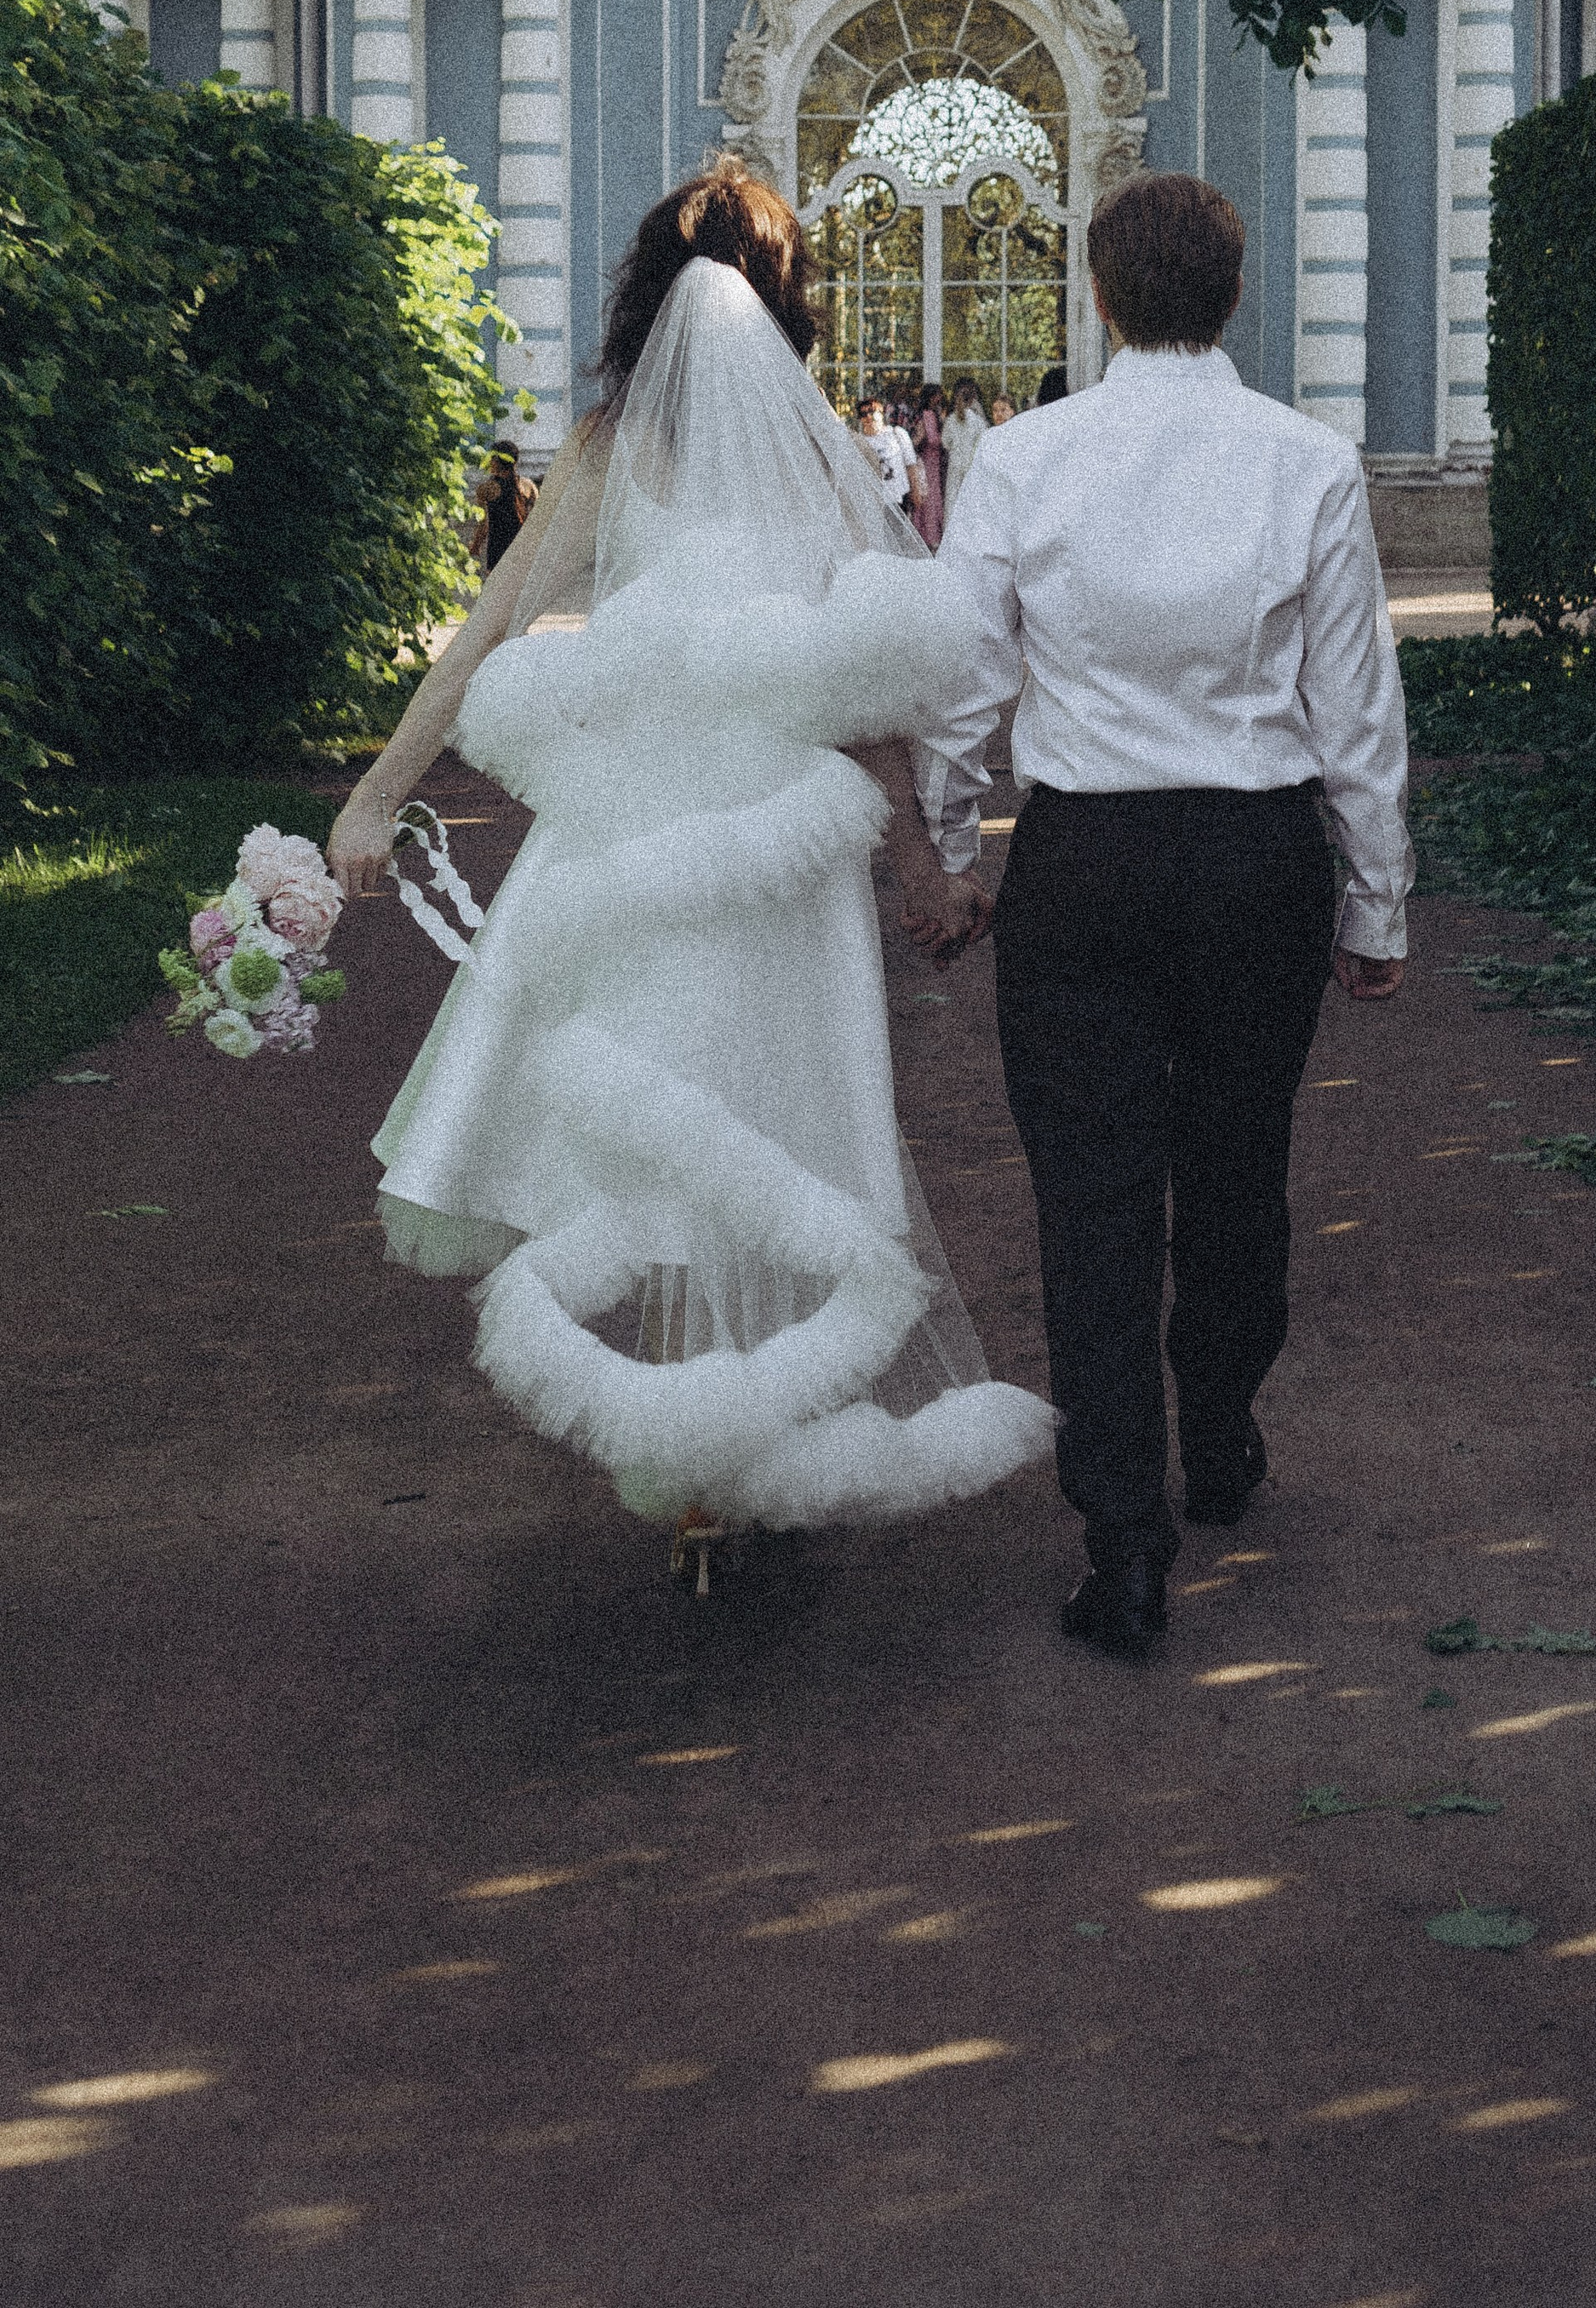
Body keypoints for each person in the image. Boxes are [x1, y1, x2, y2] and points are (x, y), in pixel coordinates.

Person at [325, 159, 1051, 1541]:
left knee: (654, 1130)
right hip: (782, 870)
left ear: (644, 295)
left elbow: (481, 645)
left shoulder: (608, 455)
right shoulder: (823, 459)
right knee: (778, 1127)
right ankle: (737, 1435)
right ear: (788, 301)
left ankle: (693, 1450)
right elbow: (867, 701)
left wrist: (375, 797)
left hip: (632, 845)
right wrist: (920, 872)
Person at [919, 172, 1411, 1660]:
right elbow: (1357, 706)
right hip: (1259, 860)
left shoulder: (1024, 459)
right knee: (1238, 1165)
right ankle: (1223, 1433)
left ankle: (1122, 1539)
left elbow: (961, 677)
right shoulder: (1308, 461)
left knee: (1092, 1199)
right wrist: (1377, 899)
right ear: (1236, 293)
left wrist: (953, 847)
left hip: (1083, 862)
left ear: (1102, 298)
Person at [467, 444, 536, 573]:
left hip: (498, 553)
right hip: (522, 552)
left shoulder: (487, 489)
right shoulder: (528, 486)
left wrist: (475, 547)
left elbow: (484, 525)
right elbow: (537, 521)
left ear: (495, 461)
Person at [856, 393, 917, 514]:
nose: (868, 417)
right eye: (863, 414)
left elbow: (910, 464)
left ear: (881, 412)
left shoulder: (897, 434)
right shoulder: (859, 442)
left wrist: (915, 492)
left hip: (898, 497)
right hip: (873, 501)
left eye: (872, 412)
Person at [909, 382, 947, 550]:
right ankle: (930, 537)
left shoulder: (932, 414)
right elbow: (932, 439)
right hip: (929, 460)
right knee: (930, 498)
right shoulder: (928, 414)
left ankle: (929, 536)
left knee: (933, 497)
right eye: (937, 395)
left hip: (934, 461)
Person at [939, 378, 988, 502]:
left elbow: (945, 443)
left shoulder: (951, 420)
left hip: (955, 464)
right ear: (973, 399)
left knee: (952, 500)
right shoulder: (978, 421)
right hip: (972, 465)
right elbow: (983, 443)